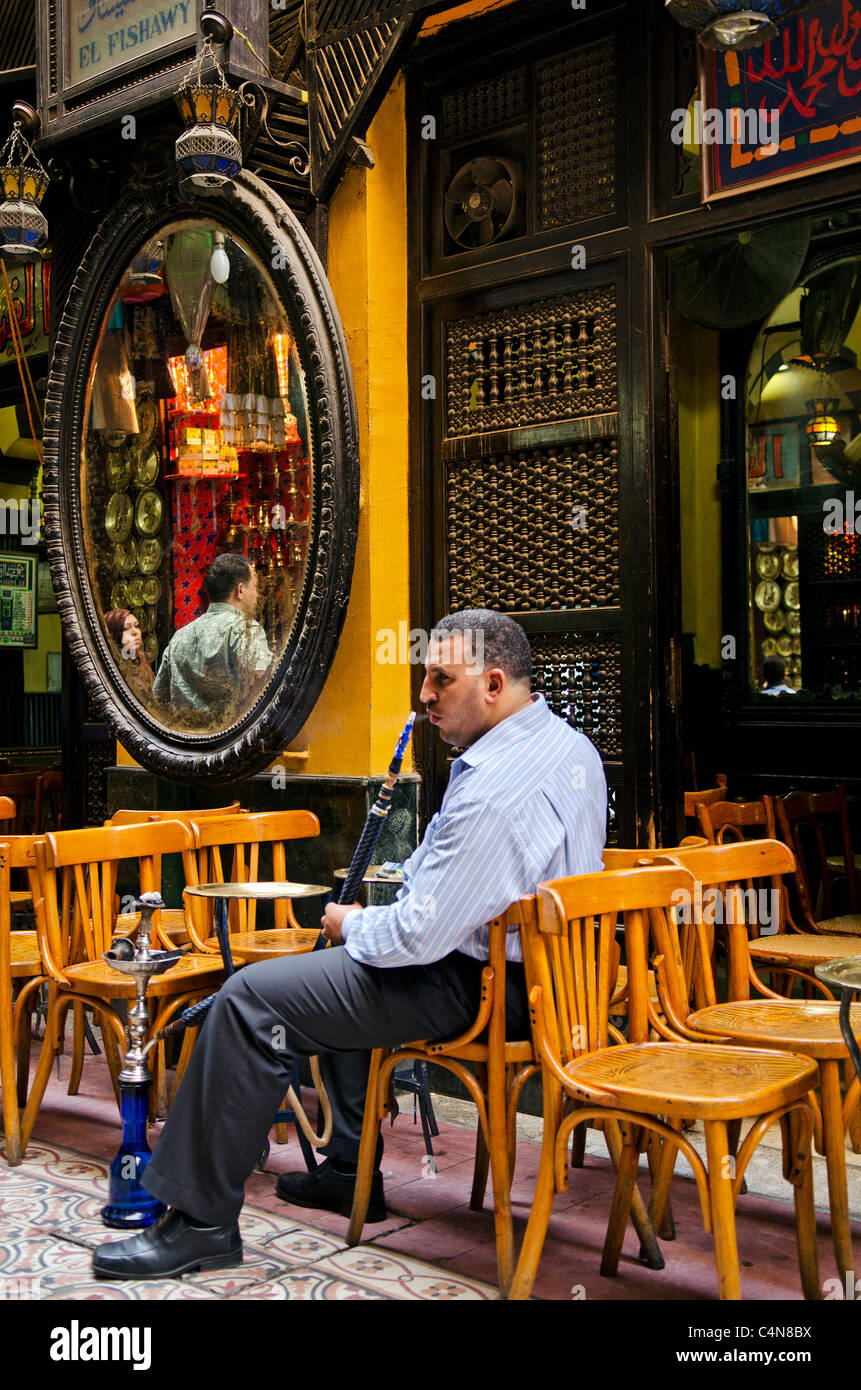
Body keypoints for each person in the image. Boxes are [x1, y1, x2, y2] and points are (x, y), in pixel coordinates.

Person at [92, 608, 607, 1280]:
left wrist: (350, 925)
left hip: (481, 988)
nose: (423, 696)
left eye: (439, 680)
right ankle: (344, 1166)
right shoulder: (570, 748)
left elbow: (418, 936)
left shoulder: (496, 790)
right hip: (556, 982)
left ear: (494, 683)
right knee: (334, 976)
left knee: (250, 1000)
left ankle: (198, 1222)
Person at [152, 553, 272, 720]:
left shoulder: (180, 637)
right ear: (240, 590)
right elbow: (261, 685)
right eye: (255, 587)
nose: (257, 596)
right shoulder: (246, 629)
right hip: (233, 741)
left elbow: (159, 699)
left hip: (186, 742)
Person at [104, 609, 154, 701]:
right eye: (126, 628)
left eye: (136, 625)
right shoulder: (111, 666)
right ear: (114, 634)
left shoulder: (143, 658)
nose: (135, 632)